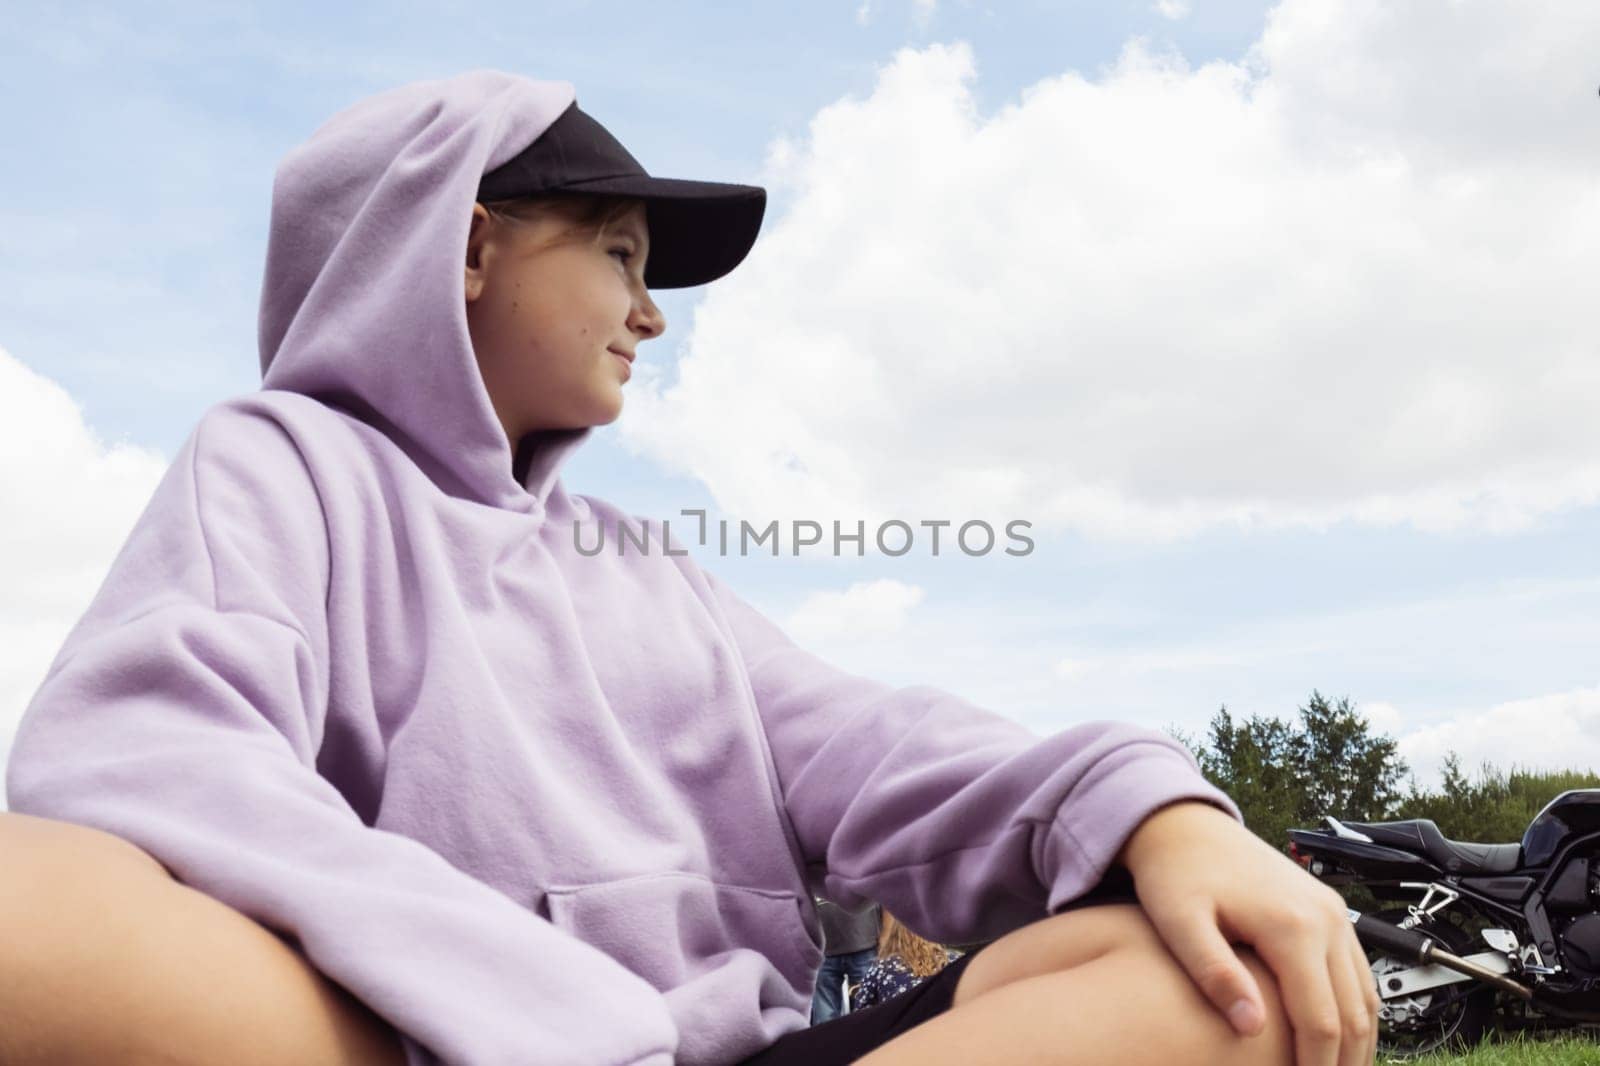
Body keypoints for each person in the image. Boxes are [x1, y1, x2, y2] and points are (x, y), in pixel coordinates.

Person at [0, 69, 1379, 1066]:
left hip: (737, 1054)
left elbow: (868, 744)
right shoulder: (282, 465)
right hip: (434, 1039)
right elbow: (144, 759)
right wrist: (529, 1006)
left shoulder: (652, 572)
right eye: (617, 254)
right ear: (467, 246)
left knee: (1224, 977)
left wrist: (1156, 814)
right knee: (33, 897)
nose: (652, 313)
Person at [848, 910, 959, 1013]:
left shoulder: (882, 968)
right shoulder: (955, 961)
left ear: (895, 934)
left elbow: (860, 1009)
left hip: (900, 1029)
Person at [810, 897, 882, 1024]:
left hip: (864, 946)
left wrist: (885, 937)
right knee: (824, 1020)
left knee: (869, 1018)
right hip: (821, 951)